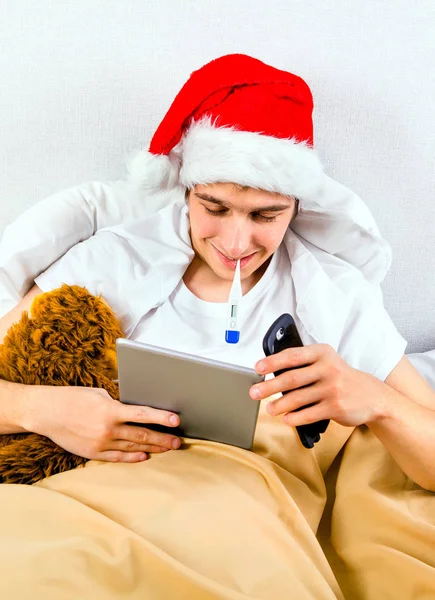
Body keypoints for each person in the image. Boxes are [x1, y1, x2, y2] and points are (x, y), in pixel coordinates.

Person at [0, 54, 435, 599]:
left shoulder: (332, 293)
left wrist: (376, 400)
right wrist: (45, 410)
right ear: (186, 190)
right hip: (93, 505)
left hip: (243, 520)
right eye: (215, 207)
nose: (235, 244)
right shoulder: (112, 262)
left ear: (297, 207)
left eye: (265, 216)